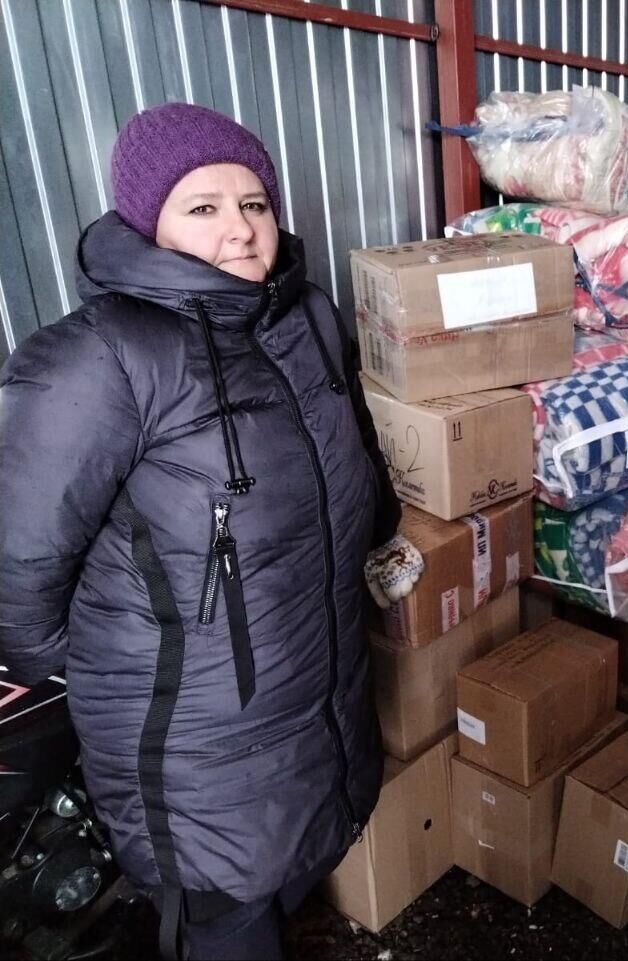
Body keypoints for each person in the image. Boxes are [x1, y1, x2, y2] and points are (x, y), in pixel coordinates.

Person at [0, 103, 423, 959]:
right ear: (147, 222)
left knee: (287, 886)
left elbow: (364, 489)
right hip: (192, 752)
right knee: (226, 921)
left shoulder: (305, 319)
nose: (240, 229)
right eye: (203, 207)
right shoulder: (101, 360)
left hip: (317, 708)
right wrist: (130, 662)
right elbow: (17, 583)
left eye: (255, 203)